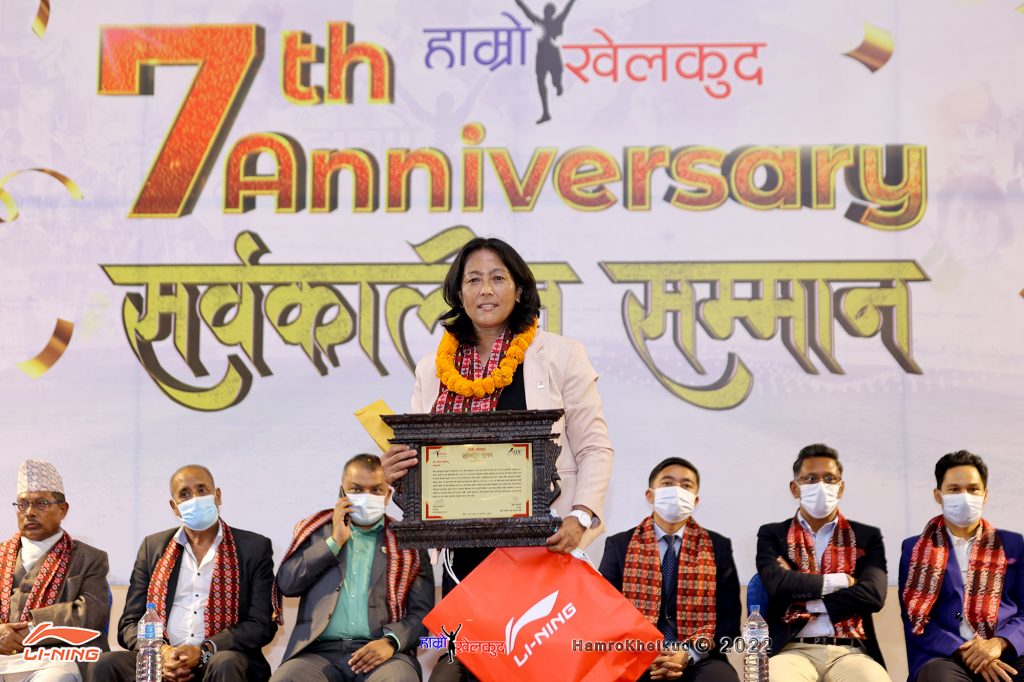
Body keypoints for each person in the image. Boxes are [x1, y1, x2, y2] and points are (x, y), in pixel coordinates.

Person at [382, 236, 614, 681]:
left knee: (539, 670)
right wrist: (398, 476)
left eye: (497, 278)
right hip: (465, 558)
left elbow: (594, 447)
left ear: (519, 289)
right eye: (473, 279)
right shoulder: (433, 367)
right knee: (458, 672)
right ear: (459, 293)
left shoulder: (561, 355)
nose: (485, 289)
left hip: (542, 548)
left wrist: (581, 516)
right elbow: (425, 463)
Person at [88, 466, 276, 682]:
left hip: (219, 658)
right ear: (174, 507)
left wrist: (203, 651)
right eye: (185, 494)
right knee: (105, 664)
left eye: (202, 490)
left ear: (217, 496)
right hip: (162, 656)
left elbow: (260, 624)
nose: (195, 498)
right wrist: (162, 652)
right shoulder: (153, 548)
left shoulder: (254, 547)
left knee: (226, 662)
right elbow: (129, 624)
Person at [271, 454, 432, 682]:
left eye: (375, 490)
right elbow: (288, 585)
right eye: (356, 490)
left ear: (387, 495)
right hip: (317, 653)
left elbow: (422, 614)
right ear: (342, 492)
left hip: (380, 653)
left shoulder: (408, 543)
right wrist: (334, 543)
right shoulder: (315, 530)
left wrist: (390, 642)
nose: (366, 497)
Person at [755, 443, 888, 681]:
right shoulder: (772, 534)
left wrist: (806, 597)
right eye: (810, 478)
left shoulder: (867, 536)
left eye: (829, 478)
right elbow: (778, 584)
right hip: (791, 650)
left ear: (841, 488)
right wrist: (844, 581)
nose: (821, 486)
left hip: (850, 651)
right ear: (795, 488)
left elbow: (873, 596)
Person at [599, 457, 740, 682]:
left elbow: (729, 621)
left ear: (695, 500)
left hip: (699, 659)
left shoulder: (717, 546)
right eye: (667, 483)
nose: (677, 490)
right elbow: (606, 614)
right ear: (650, 495)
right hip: (635, 656)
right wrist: (647, 655)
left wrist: (689, 654)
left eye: (686, 485)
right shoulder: (619, 545)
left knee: (720, 678)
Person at [899, 450, 1024, 682]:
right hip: (944, 656)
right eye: (954, 489)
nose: (964, 497)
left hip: (1004, 649)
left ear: (985, 495)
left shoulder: (1013, 544)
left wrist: (999, 643)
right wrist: (969, 652)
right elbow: (914, 618)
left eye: (973, 489)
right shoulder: (914, 549)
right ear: (938, 495)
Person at [0, 460, 110, 682]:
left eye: (41, 503)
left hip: (57, 659)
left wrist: (30, 629)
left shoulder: (89, 558)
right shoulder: (1, 554)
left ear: (63, 509)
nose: (29, 512)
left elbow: (90, 612)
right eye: (22, 504)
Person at [513, 0, 578, 124]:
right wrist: (518, 2)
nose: (546, 13)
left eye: (548, 11)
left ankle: (558, 86)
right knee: (541, 83)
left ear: (551, 13)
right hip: (542, 58)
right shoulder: (540, 23)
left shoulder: (557, 21)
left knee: (555, 82)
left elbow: (567, 9)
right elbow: (527, 12)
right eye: (545, 11)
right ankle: (546, 113)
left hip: (553, 58)